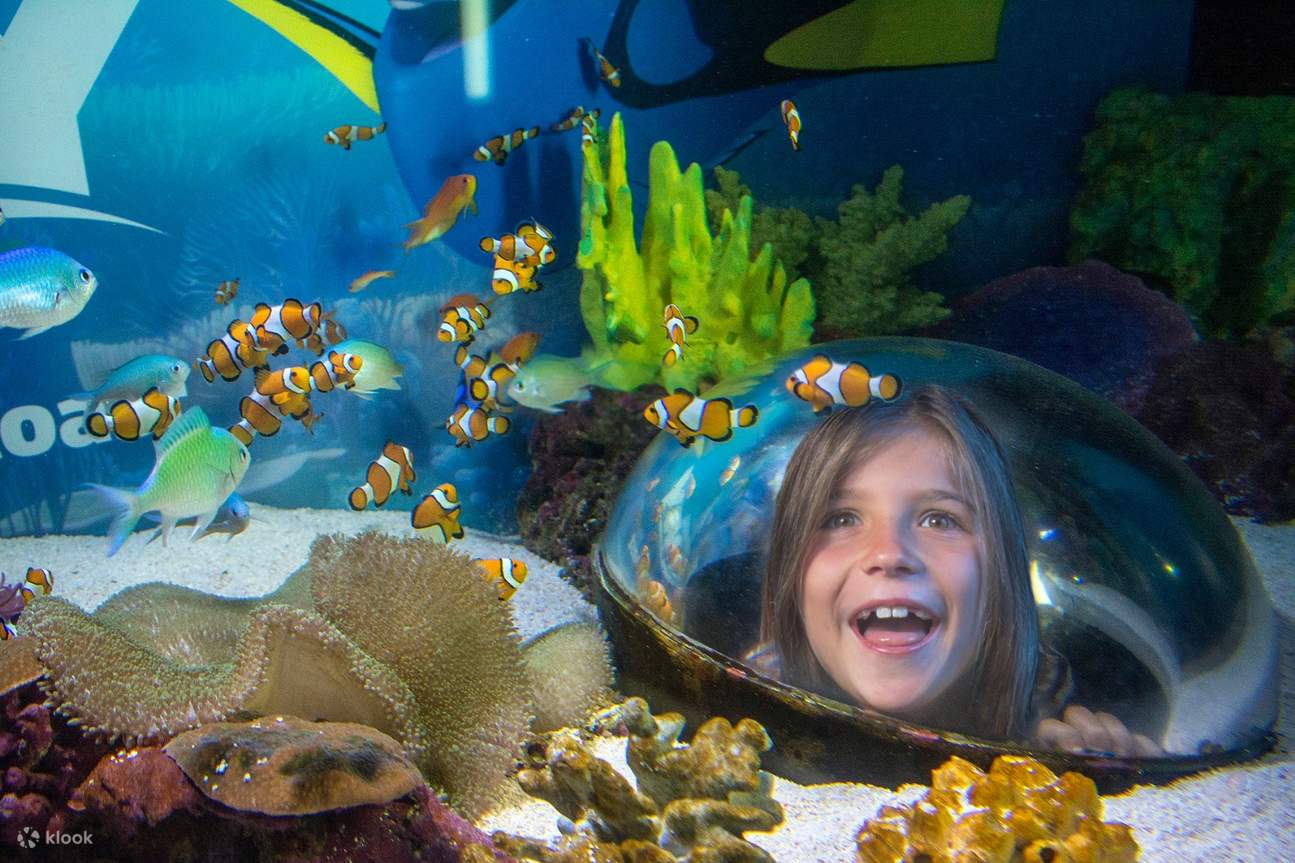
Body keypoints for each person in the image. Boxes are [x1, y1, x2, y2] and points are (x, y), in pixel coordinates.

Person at [756, 384, 1162, 757]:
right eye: (841, 519)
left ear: (1002, 570)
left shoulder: (1053, 691)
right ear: (789, 568)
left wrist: (1100, 756)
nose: (890, 553)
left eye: (940, 520)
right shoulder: (758, 685)